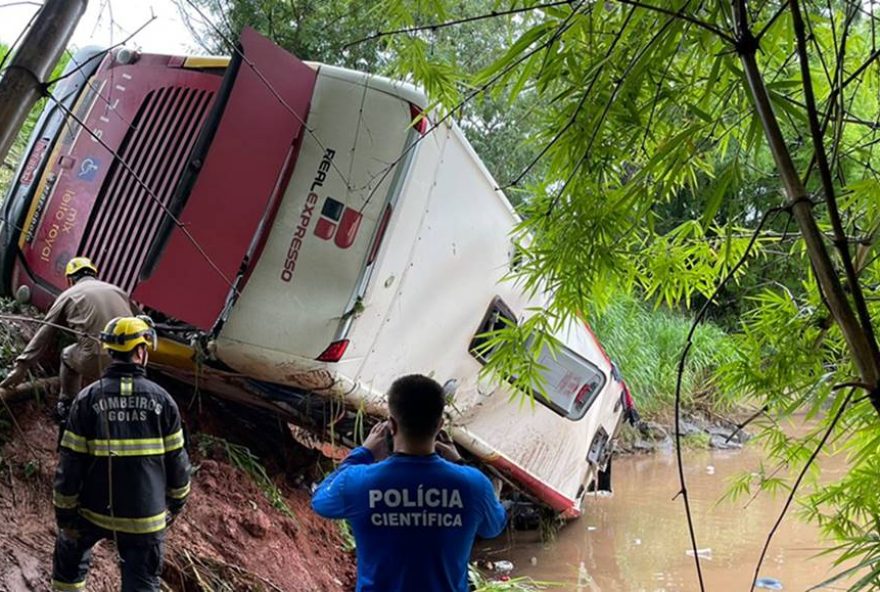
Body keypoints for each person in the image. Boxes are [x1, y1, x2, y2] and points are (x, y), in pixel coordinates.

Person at [312, 374, 507, 592]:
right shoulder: (473, 484)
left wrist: (362, 453)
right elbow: (493, 527)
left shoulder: (358, 480)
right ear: (439, 426)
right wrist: (460, 463)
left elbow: (320, 500)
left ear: (392, 425)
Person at [51, 316, 191, 592]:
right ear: (141, 351)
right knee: (141, 584)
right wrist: (176, 505)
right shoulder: (163, 401)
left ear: (111, 351)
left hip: (92, 513)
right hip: (145, 519)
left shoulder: (88, 399)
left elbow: (70, 465)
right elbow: (178, 463)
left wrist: (65, 516)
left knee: (69, 560)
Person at [0, 256, 140, 422]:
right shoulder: (118, 291)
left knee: (67, 355)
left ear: (69, 280)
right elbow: (142, 319)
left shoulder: (68, 295)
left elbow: (44, 333)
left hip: (97, 359)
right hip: (130, 359)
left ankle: (66, 406)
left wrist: (21, 367)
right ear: (94, 274)